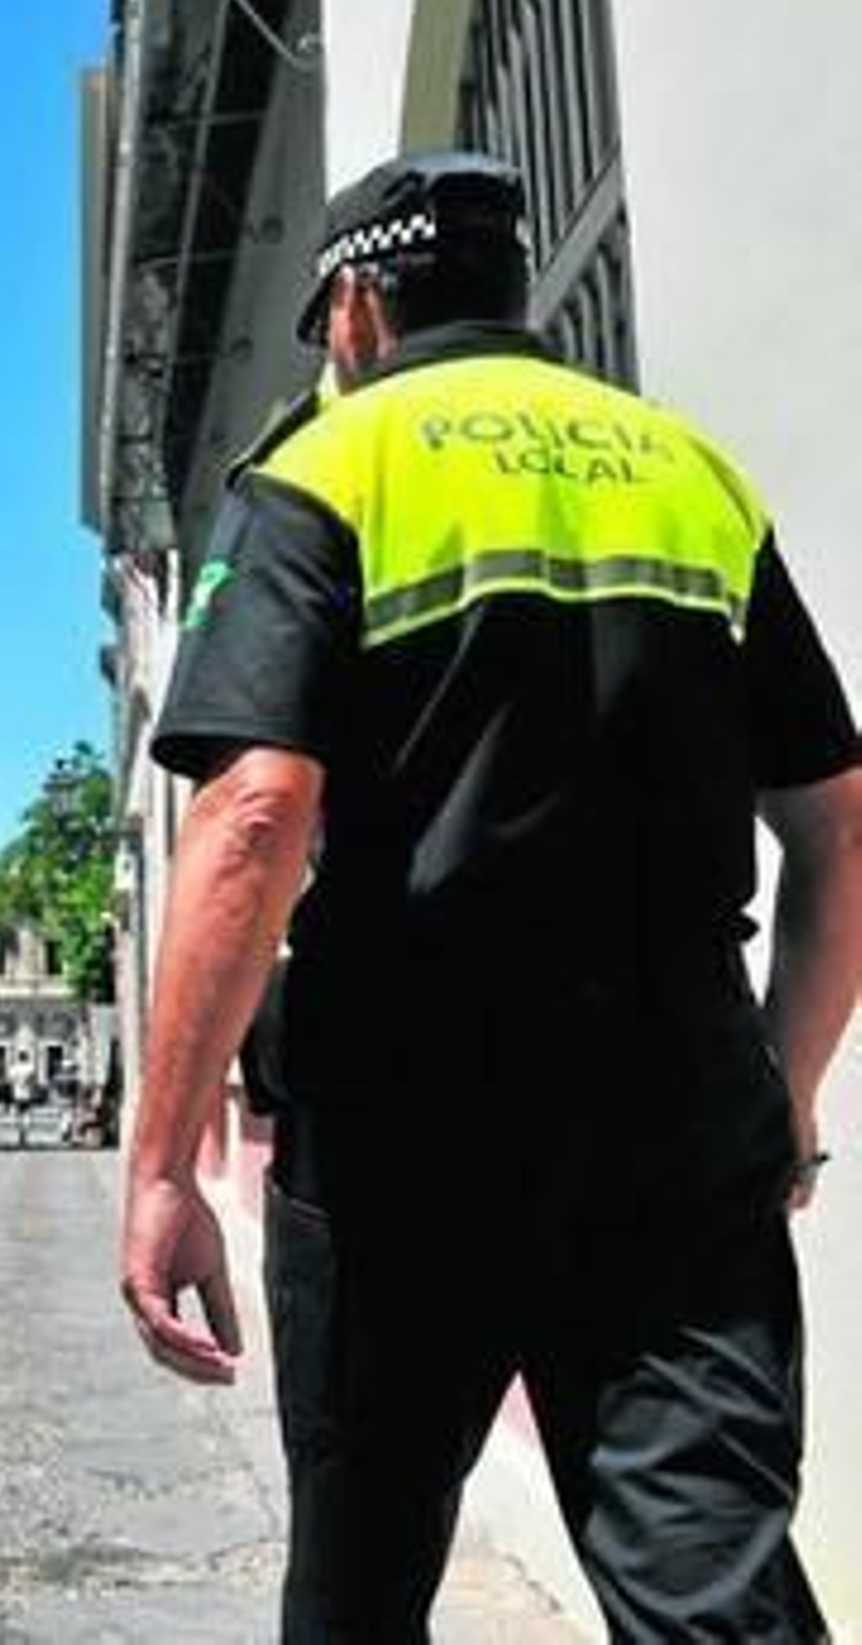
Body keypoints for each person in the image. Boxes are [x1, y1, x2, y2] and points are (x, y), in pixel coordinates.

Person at [119, 150, 862, 1640]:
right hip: (675, 1109)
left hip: (407, 1123)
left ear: (352, 312)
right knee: (709, 1583)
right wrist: (780, 1084)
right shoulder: (687, 472)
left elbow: (254, 812)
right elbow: (840, 825)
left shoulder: (330, 469)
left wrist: (160, 1165)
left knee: (364, 1582)